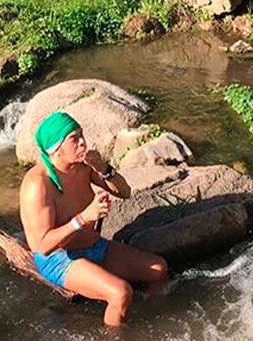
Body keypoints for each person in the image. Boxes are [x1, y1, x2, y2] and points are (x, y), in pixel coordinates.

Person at [19, 111, 169, 327]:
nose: (83, 143)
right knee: (120, 293)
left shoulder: (84, 165)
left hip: (93, 244)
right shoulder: (38, 185)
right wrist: (82, 218)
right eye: (74, 139)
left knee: (159, 270)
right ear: (56, 150)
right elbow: (42, 245)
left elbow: (124, 192)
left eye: (82, 135)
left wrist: (104, 169)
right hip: (60, 259)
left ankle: (158, 324)